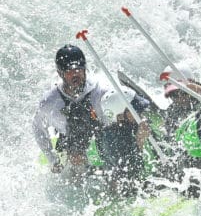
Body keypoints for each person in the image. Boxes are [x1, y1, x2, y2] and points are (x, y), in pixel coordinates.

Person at [32, 44, 109, 174]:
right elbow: (37, 127)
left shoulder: (100, 91)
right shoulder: (50, 102)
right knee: (75, 161)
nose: (75, 75)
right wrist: (53, 159)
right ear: (60, 74)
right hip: (70, 141)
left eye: (78, 69)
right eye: (69, 71)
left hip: (101, 135)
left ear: (84, 69)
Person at [96, 86, 153, 197]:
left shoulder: (133, 124)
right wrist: (139, 141)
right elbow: (130, 175)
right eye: (134, 109)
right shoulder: (112, 140)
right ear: (120, 116)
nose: (140, 111)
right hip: (127, 194)